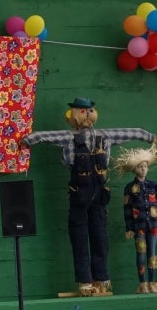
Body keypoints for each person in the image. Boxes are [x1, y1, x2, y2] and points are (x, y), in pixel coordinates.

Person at [21, 97, 155, 296]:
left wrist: (149, 136)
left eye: (90, 110)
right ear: (74, 115)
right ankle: (84, 281)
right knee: (79, 237)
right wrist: (27, 140)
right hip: (79, 194)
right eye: (83, 111)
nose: (88, 115)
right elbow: (45, 136)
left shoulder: (105, 136)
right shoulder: (68, 137)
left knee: (100, 237)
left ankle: (101, 279)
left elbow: (131, 132)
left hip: (100, 195)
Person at [115, 145, 157, 292]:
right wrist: (129, 228)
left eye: (145, 166)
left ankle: (152, 282)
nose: (144, 169)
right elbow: (127, 209)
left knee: (152, 254)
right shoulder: (129, 188)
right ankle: (142, 283)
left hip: (153, 225)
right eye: (140, 167)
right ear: (135, 169)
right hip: (139, 226)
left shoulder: (154, 186)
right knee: (141, 254)